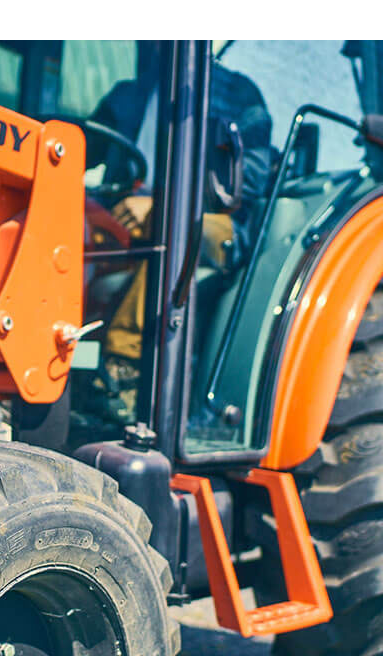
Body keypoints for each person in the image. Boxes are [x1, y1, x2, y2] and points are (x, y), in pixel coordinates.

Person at [86, 42, 274, 421]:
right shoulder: (129, 95)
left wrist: (161, 202)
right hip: (130, 220)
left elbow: (251, 180)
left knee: (173, 230)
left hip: (211, 225)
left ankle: (125, 372)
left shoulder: (238, 95)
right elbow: (80, 147)